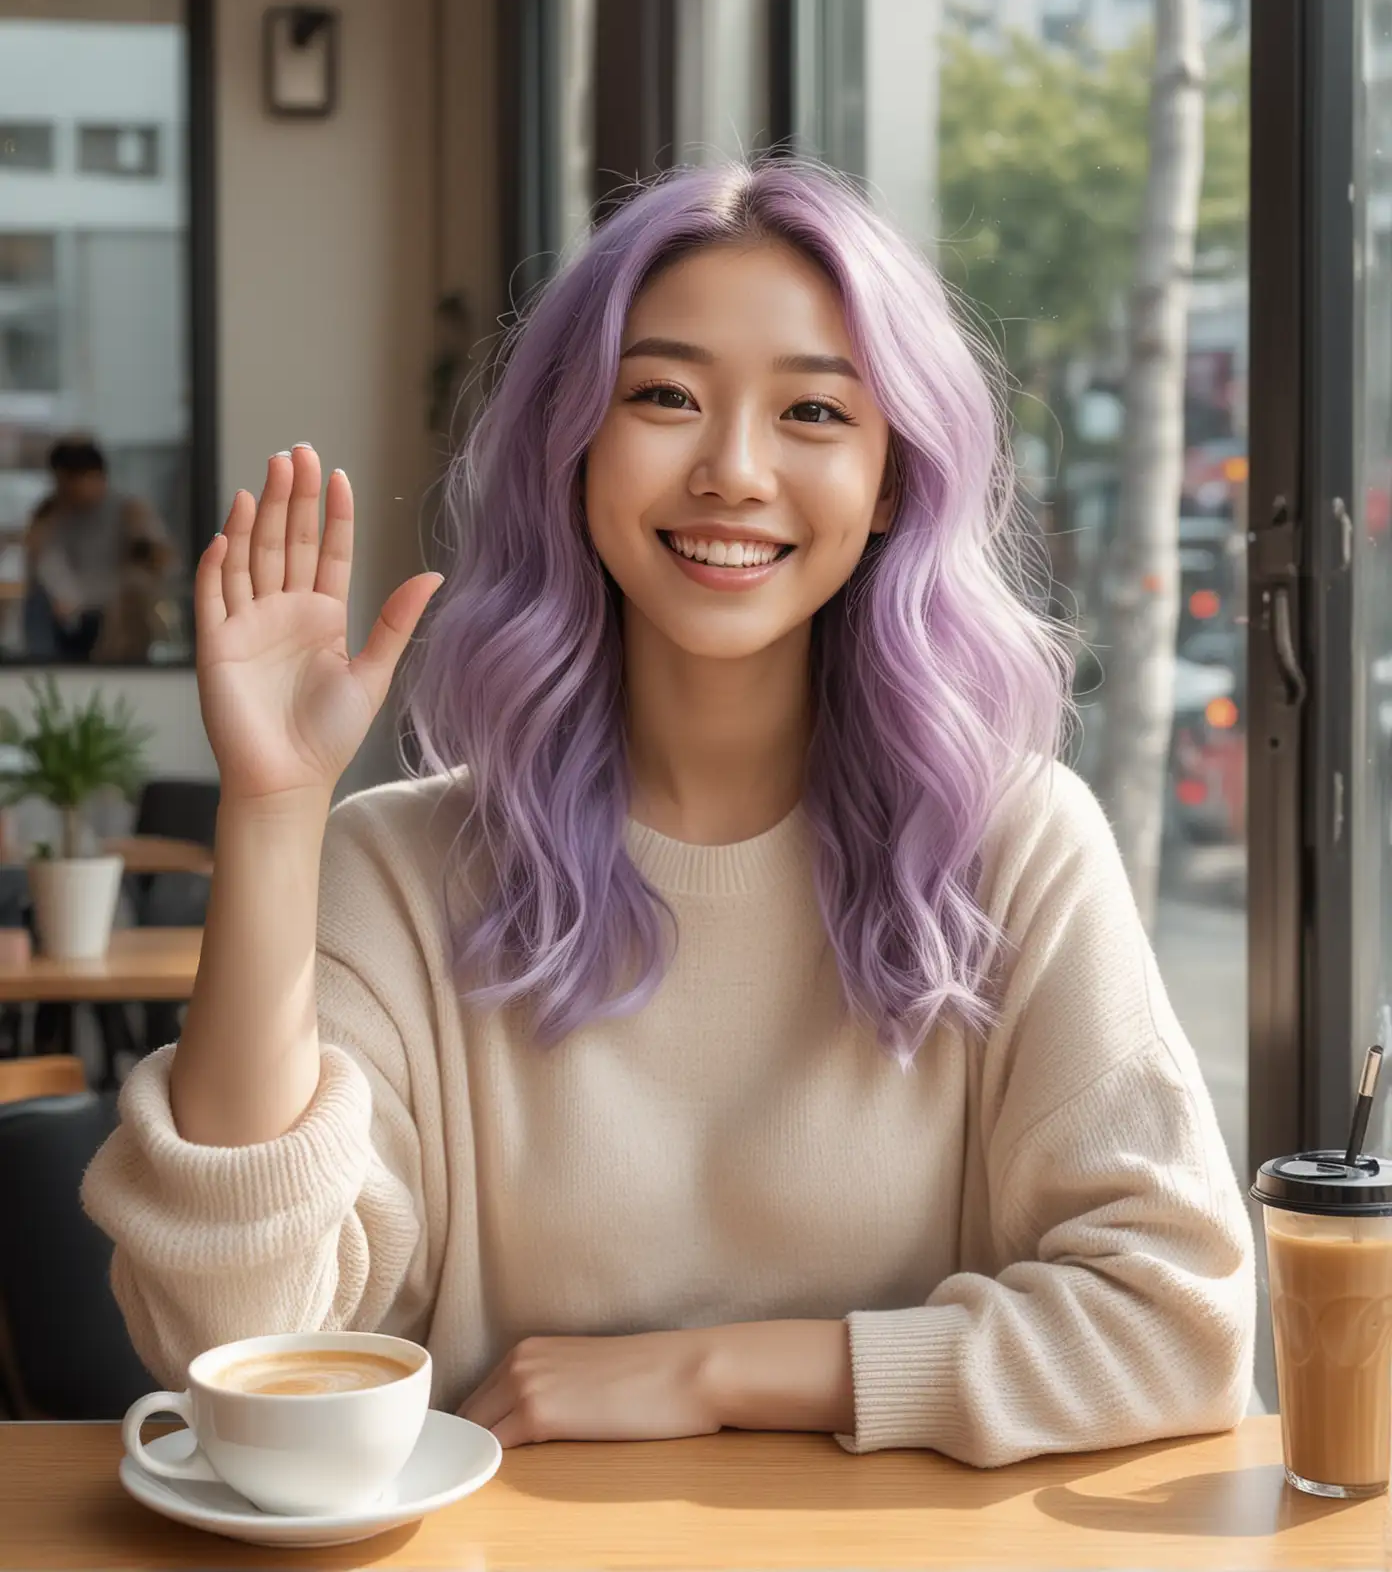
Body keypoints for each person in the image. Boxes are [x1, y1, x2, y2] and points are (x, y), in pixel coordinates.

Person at [81, 162, 1255, 1465]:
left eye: (813, 409)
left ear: (889, 485)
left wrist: (707, 1373)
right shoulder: (401, 868)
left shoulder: (1015, 844)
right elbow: (229, 1339)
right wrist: (272, 808)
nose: (733, 470)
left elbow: (1180, 1320)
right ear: (572, 444)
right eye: (664, 396)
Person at [22, 435, 176, 663]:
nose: (67, 491)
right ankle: (42, 669)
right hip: (66, 609)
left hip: (112, 611)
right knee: (36, 603)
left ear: (96, 477)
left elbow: (166, 562)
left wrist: (140, 544)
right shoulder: (51, 513)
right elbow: (41, 564)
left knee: (134, 596)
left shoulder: (128, 509)